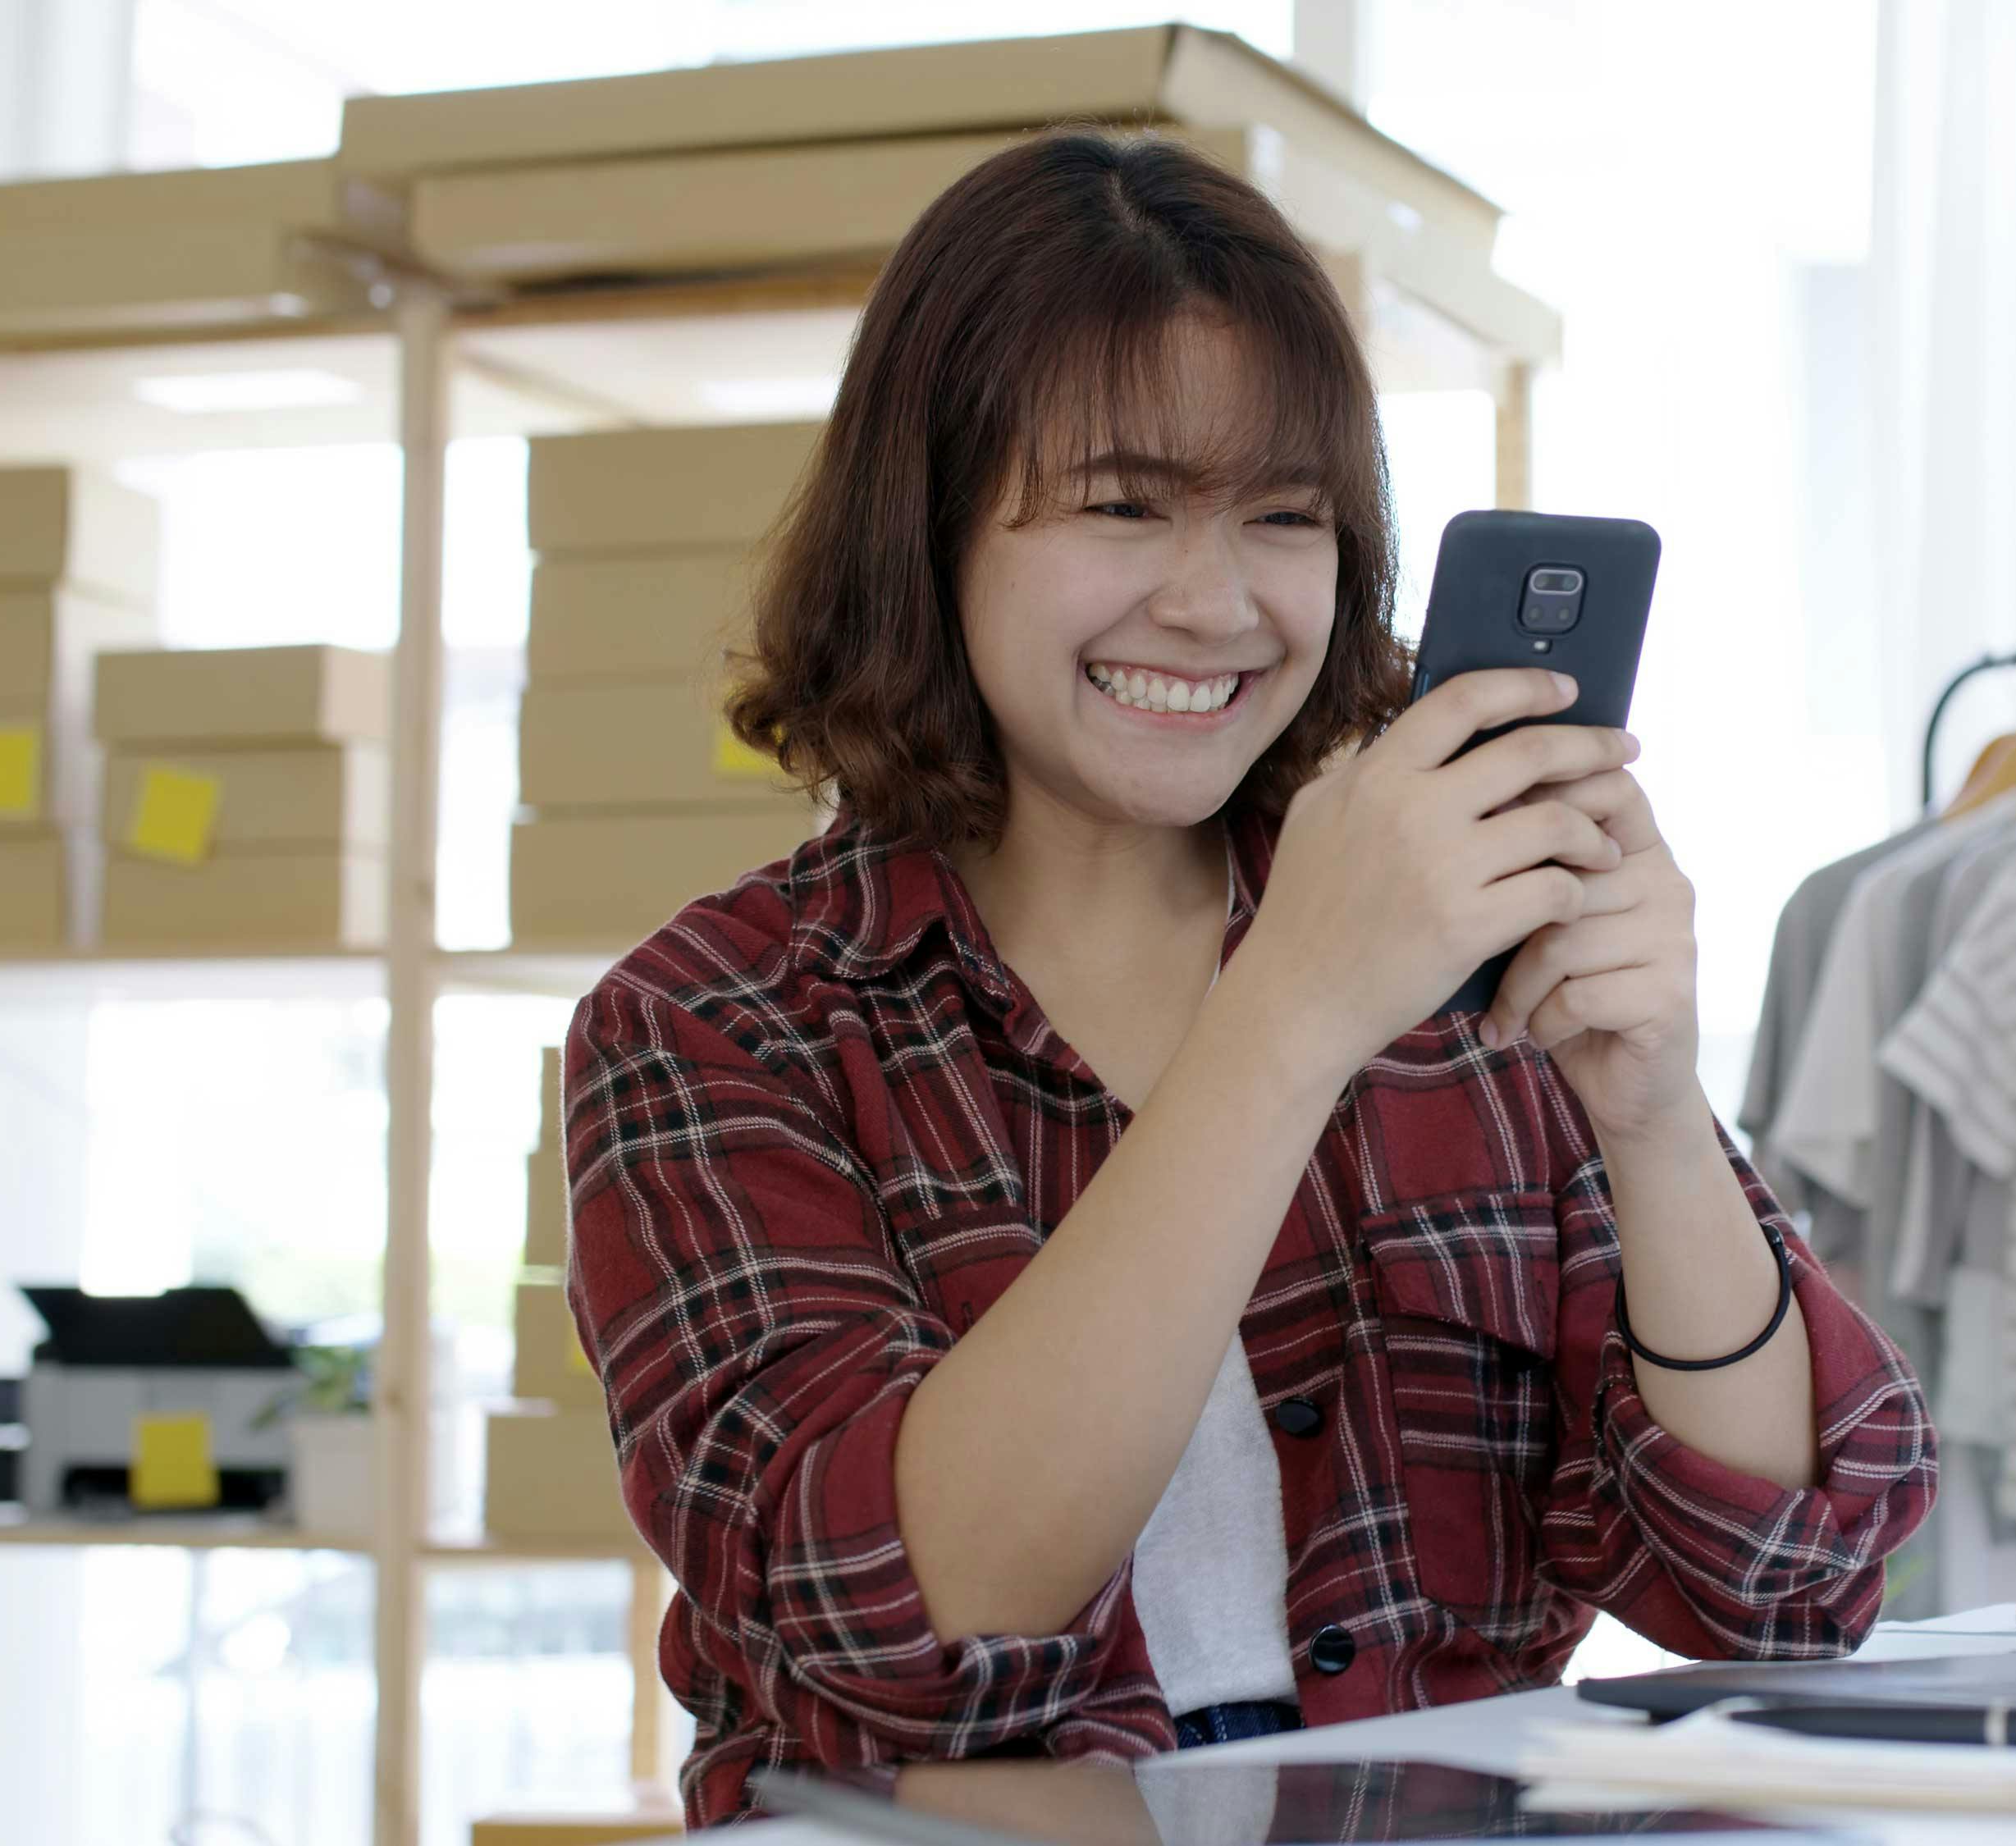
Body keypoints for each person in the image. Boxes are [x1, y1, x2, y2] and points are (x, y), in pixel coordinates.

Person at [560, 130, 1935, 1828]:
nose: (1215, 604)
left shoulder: (1456, 951)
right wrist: (1289, 1013)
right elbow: (913, 1626)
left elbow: (1783, 1589)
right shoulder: (714, 1023)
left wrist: (1652, 1115)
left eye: (1284, 519)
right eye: (1124, 505)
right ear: (928, 531)